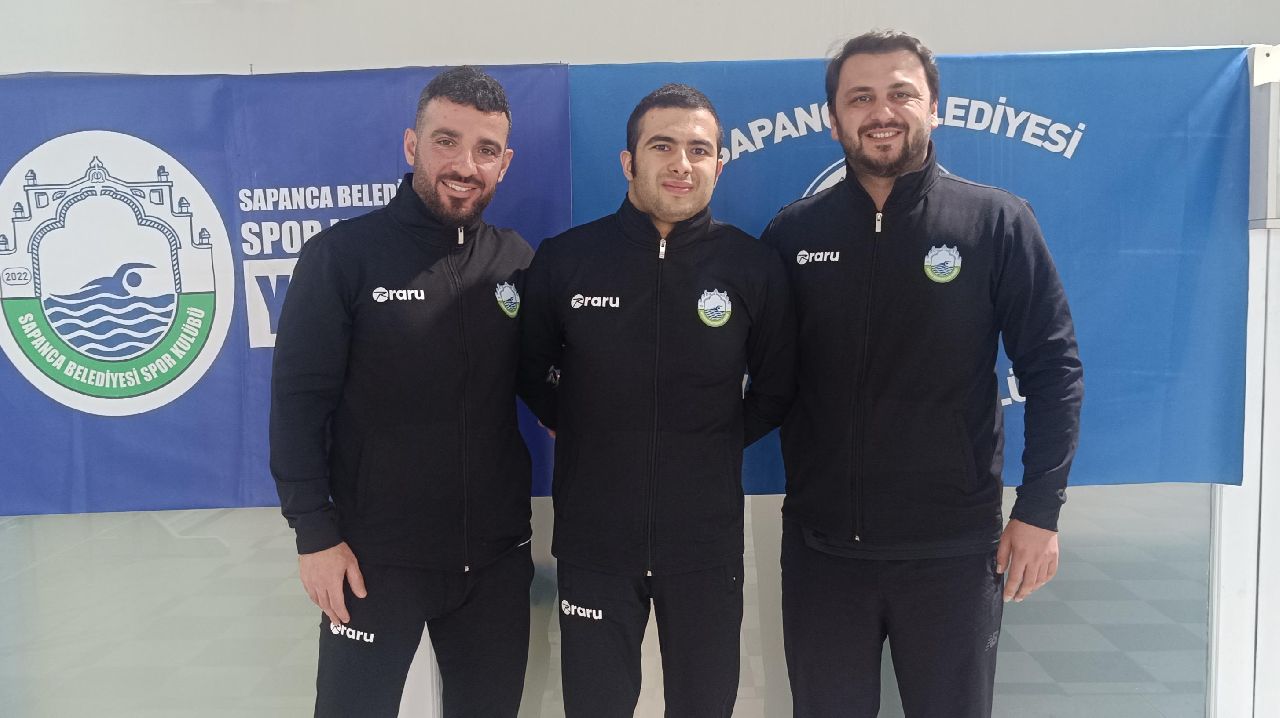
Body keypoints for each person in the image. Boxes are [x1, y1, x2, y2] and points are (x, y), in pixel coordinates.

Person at [761, 31, 1084, 718]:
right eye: (860, 98)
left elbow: (1054, 370)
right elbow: (759, 377)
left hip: (955, 555)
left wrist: (1039, 511)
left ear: (934, 108)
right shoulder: (792, 235)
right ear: (834, 119)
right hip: (823, 553)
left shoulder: (995, 223)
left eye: (900, 94)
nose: (881, 112)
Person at [518, 83, 795, 718]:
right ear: (629, 161)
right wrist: (583, 428)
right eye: (662, 146)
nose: (681, 164)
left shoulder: (753, 267)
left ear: (719, 165)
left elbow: (777, 389)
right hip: (593, 543)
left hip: (705, 546)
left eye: (699, 150)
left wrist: (709, 440)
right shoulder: (566, 260)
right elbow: (532, 372)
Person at [270, 66, 534, 718]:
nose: (465, 165)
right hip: (372, 560)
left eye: (486, 149)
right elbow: (298, 405)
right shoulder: (342, 256)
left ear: (504, 164)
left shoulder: (516, 261)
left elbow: (554, 379)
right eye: (446, 141)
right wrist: (314, 535)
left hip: (495, 562)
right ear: (412, 145)